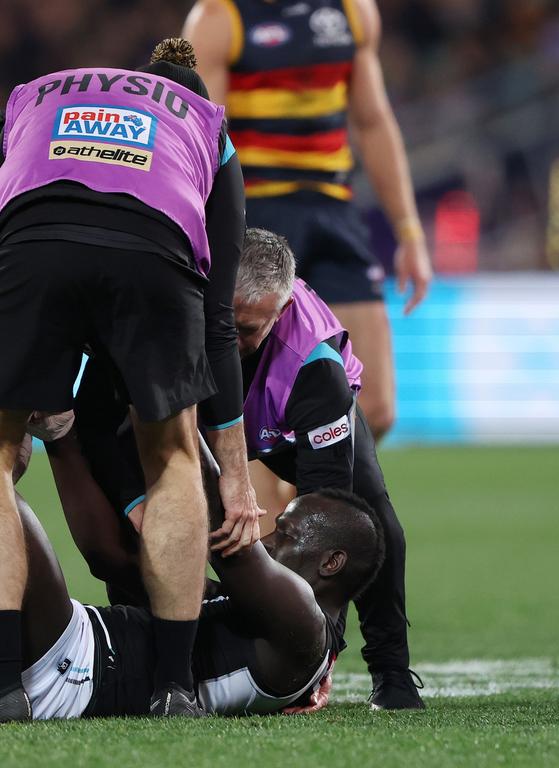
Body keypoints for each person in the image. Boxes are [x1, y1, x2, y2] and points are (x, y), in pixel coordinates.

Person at [0, 38, 262, 719]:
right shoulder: (206, 122)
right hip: (152, 249)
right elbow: (219, 319)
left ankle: (3, 687)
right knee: (170, 455)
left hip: (33, 240)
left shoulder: (36, 91)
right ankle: (175, 688)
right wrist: (233, 475)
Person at [65, 228, 422, 710]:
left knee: (378, 527)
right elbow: (98, 419)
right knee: (131, 533)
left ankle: (392, 674)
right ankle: (150, 643)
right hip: (195, 416)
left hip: (286, 428)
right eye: (223, 323)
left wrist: (319, 653)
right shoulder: (171, 302)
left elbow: (329, 525)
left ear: (282, 312)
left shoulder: (316, 370)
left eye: (249, 330)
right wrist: (136, 505)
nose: (228, 343)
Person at [182, 0, 432, 447]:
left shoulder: (352, 11)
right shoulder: (220, 19)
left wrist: (409, 231)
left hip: (333, 210)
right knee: (252, 414)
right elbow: (199, 143)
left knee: (374, 408)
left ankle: (301, 498)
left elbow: (373, 123)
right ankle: (269, 508)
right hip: (256, 215)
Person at [1, 428, 382, 720]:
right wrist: (61, 438)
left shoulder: (305, 623)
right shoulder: (271, 626)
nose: (264, 540)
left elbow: (225, 534)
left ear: (331, 563)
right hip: (72, 653)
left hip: (73, 669)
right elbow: (110, 558)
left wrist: (174, 409)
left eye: (284, 533)